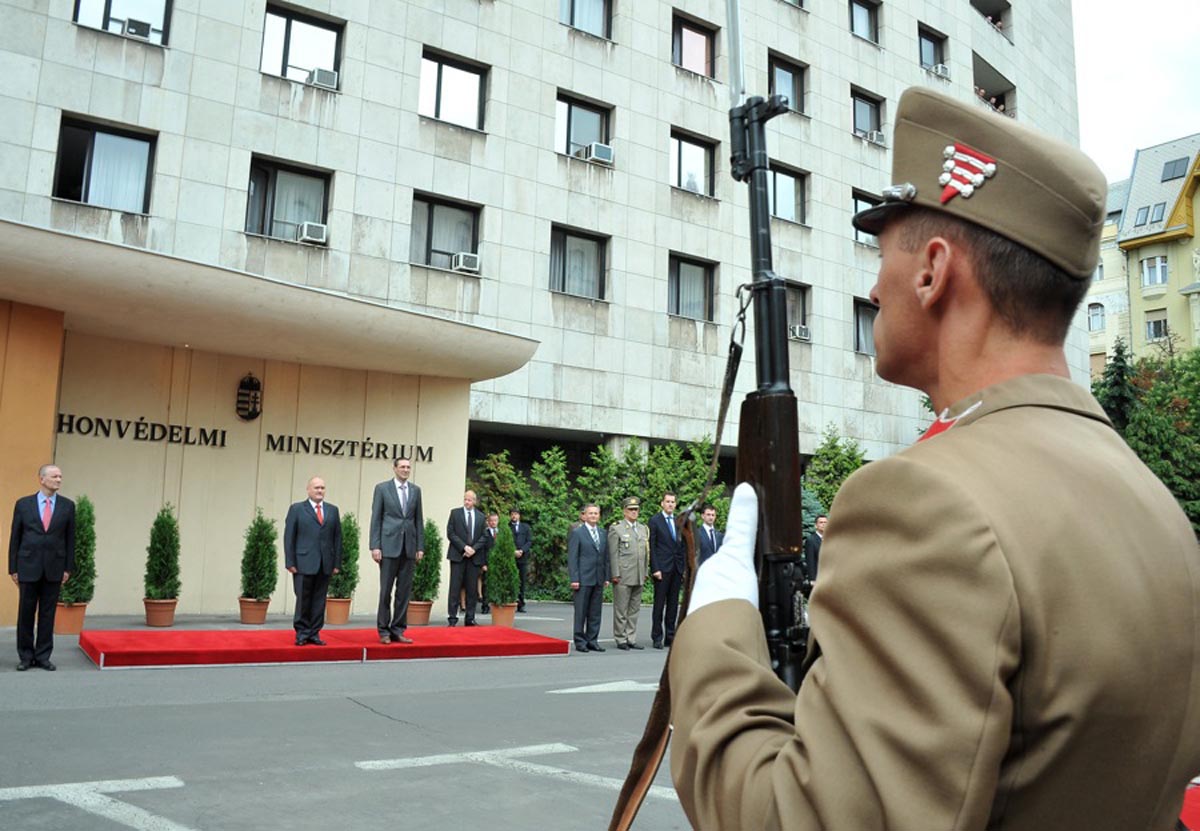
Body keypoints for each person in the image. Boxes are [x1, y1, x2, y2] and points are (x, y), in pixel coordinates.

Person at [669, 87, 1200, 829]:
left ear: (933, 270)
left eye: (882, 251)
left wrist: (717, 630)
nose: (873, 285)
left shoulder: (927, 504)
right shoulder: (1156, 507)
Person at [9, 464, 75, 671]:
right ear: (42, 479)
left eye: (60, 476)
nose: (59, 480)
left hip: (54, 568)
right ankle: (25, 656)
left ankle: (43, 656)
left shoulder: (67, 506)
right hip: (28, 566)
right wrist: (13, 568)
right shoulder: (23, 504)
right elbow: (15, 537)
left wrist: (68, 568)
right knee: (26, 613)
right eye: (54, 476)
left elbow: (70, 539)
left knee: (48, 614)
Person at [369, 457, 424, 645]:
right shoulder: (382, 489)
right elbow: (376, 518)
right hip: (388, 547)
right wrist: (375, 545)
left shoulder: (416, 491)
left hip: (408, 548)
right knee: (386, 591)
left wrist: (420, 546)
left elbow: (418, 520)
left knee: (404, 592)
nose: (406, 470)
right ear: (394, 468)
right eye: (402, 467)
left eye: (408, 467)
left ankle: (398, 630)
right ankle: (383, 631)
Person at [283, 476, 342, 646]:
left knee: (319, 600)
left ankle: (314, 633)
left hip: (325, 564)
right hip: (303, 563)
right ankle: (302, 633)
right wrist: (290, 562)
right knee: (303, 599)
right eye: (316, 488)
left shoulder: (332, 510)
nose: (320, 491)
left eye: (322, 488)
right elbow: (289, 537)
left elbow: (337, 538)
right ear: (308, 489)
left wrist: (336, 563)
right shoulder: (297, 509)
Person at [608, 497, 649, 650]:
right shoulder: (617, 528)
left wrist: (645, 571)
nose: (634, 512)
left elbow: (646, 553)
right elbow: (613, 553)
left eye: (636, 509)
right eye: (631, 509)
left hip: (638, 574)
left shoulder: (643, 528)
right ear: (624, 511)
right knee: (621, 609)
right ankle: (620, 638)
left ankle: (631, 637)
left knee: (634, 609)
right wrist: (615, 573)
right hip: (623, 574)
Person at [567, 503, 609, 652]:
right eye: (590, 513)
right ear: (584, 515)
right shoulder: (577, 533)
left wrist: (607, 576)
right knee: (581, 612)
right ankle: (580, 641)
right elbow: (572, 557)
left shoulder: (603, 533)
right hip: (583, 578)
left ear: (599, 515)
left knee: (595, 612)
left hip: (598, 578)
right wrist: (574, 579)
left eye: (596, 513)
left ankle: (592, 640)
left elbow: (606, 557)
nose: (593, 516)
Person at [648, 492, 685, 649]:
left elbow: (682, 546)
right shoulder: (655, 521)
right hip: (662, 569)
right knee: (659, 604)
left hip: (676, 568)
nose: (670, 504)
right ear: (662, 503)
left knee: (673, 604)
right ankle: (657, 636)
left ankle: (670, 636)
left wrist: (683, 568)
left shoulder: (679, 522)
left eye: (672, 502)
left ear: (675, 504)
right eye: (667, 501)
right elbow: (652, 546)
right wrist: (655, 568)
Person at [446, 490, 486, 627]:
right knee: (455, 588)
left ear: (474, 501)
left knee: (472, 589)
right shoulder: (455, 513)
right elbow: (451, 533)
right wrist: (464, 547)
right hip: (458, 555)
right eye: (465, 499)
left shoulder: (481, 517)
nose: (467, 502)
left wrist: (473, 549)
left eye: (469, 500)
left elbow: (484, 536)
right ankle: (452, 618)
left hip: (474, 558)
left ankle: (470, 618)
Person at [509, 508, 532, 612]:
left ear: (519, 515)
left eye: (516, 514)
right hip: (511, 557)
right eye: (512, 514)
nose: (514, 516)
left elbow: (529, 541)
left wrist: (522, 550)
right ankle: (511, 601)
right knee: (511, 580)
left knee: (522, 581)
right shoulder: (507, 527)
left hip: (522, 557)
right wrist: (513, 551)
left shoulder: (525, 527)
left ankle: (521, 604)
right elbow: (506, 541)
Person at [477, 511, 499, 613]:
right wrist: (483, 564)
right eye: (491, 521)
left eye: (495, 520)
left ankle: (496, 604)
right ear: (488, 522)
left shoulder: (501, 533)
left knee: (497, 584)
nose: (493, 522)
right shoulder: (484, 533)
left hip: (498, 563)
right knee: (486, 585)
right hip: (487, 563)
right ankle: (485, 606)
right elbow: (481, 550)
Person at [696, 503, 723, 567]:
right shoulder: (697, 534)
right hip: (702, 570)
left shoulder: (719, 535)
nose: (711, 517)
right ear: (702, 516)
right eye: (708, 515)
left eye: (713, 515)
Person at [803, 514, 826, 581]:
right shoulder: (811, 540)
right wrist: (812, 579)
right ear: (816, 525)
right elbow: (810, 561)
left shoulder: (830, 539)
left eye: (825, 522)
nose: (823, 524)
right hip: (818, 577)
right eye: (821, 522)